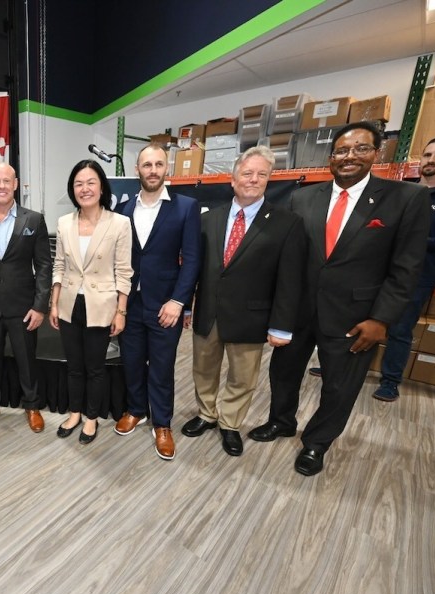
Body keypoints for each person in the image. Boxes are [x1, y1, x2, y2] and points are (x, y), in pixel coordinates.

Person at [249, 122, 431, 476]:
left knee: (339, 385)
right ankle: (281, 421)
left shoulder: (406, 198)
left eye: (360, 149)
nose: (350, 157)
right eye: (342, 151)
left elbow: (407, 267)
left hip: (356, 316)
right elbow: (289, 257)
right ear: (331, 158)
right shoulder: (304, 197)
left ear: (376, 153)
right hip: (298, 310)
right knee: (283, 372)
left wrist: (381, 320)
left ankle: (317, 443)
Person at [181, 146, 305, 456]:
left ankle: (230, 424)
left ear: (269, 180)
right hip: (208, 313)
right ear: (233, 179)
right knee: (203, 369)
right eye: (247, 173)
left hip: (251, 317)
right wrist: (185, 304)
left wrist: (282, 326)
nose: (253, 179)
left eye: (261, 174)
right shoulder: (209, 219)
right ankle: (207, 414)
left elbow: (289, 281)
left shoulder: (286, 223)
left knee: (242, 377)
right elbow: (195, 267)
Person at [113, 143, 201, 460]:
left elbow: (192, 260)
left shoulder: (185, 207)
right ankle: (136, 409)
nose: (153, 170)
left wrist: (179, 301)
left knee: (161, 368)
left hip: (165, 305)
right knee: (132, 363)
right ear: (137, 169)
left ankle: (162, 423)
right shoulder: (122, 210)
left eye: (158, 164)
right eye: (146, 165)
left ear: (167, 169)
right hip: (130, 305)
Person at [49, 160, 132, 445]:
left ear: (101, 187)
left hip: (102, 305)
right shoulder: (64, 223)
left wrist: (121, 311)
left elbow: (124, 272)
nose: (84, 189)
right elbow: (58, 265)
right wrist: (54, 302)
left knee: (95, 367)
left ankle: (92, 417)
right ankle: (74, 412)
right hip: (70, 303)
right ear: (72, 190)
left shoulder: (119, 223)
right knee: (74, 365)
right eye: (78, 184)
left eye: (90, 182)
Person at [0, 163, 52, 433]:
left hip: (23, 306)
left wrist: (40, 306)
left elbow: (44, 266)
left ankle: (32, 406)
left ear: (15, 184)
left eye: (7, 181)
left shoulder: (33, 219)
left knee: (27, 360)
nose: (2, 186)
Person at [372, 137, 435, 401]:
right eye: (427, 155)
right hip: (381, 270)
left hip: (419, 276)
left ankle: (390, 382)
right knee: (359, 316)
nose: (431, 160)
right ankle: (338, 363)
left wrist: (413, 240)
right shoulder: (402, 191)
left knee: (400, 328)